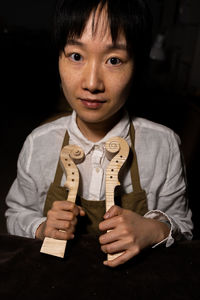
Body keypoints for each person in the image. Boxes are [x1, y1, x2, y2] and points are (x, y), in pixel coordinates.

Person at [5, 0, 193, 267]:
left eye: (114, 60)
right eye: (76, 56)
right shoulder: (39, 143)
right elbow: (16, 213)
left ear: (137, 66)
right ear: (58, 58)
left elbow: (184, 225)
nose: (92, 83)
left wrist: (154, 230)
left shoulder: (164, 145)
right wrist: (41, 227)